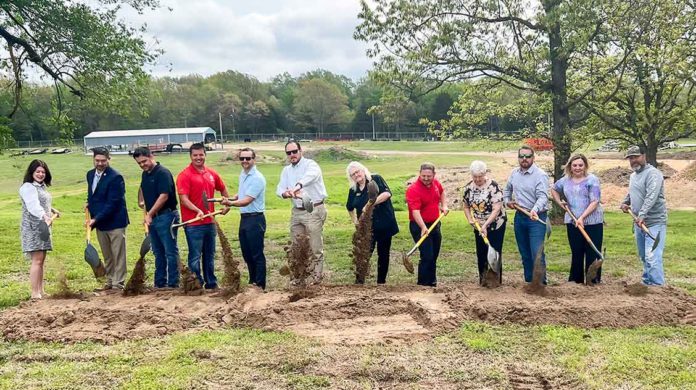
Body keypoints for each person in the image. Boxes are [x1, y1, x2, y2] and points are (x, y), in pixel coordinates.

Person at [176, 143, 230, 290]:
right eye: (195, 155)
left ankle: (211, 284)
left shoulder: (211, 174)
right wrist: (197, 210)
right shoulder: (184, 175)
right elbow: (183, 199)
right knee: (195, 257)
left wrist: (227, 205)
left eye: (201, 155)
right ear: (191, 156)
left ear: (205, 155)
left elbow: (223, 190)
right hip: (193, 224)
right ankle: (196, 285)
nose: (198, 158)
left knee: (209, 255)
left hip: (210, 222)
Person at [276, 140, 328, 285]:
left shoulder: (311, 165)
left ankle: (315, 280)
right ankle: (299, 278)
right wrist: (285, 193)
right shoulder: (286, 170)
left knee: (314, 247)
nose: (292, 155)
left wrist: (298, 186)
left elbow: (310, 177)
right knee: (297, 247)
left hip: (313, 209)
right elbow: (279, 189)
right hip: (296, 211)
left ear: (300, 151)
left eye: (294, 151)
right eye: (289, 153)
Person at [551, 154, 604, 284]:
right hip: (572, 221)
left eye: (580, 165)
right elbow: (553, 189)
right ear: (570, 166)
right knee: (577, 252)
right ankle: (576, 280)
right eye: (574, 165)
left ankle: (593, 280)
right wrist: (559, 202)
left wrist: (582, 217)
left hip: (592, 222)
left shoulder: (592, 180)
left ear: (585, 166)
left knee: (592, 252)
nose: (577, 168)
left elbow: (595, 201)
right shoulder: (565, 180)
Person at [133, 147, 180, 289]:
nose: (142, 165)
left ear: (151, 156)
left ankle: (173, 283)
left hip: (167, 216)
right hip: (154, 218)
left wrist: (150, 214)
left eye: (144, 161)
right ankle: (160, 283)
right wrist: (141, 201)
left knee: (170, 251)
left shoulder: (163, 173)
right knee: (158, 252)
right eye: (139, 163)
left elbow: (164, 196)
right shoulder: (145, 174)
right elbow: (142, 188)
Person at [620, 145, 667, 286]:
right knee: (644, 257)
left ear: (644, 156)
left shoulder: (653, 174)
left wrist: (642, 215)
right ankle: (647, 283)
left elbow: (651, 196)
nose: (633, 160)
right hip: (639, 223)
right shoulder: (634, 176)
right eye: (630, 158)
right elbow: (633, 192)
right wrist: (625, 202)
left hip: (654, 222)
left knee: (652, 256)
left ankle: (658, 288)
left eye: (636, 157)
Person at [345, 161, 399, 284]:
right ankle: (359, 281)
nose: (356, 175)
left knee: (383, 254)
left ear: (363, 170)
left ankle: (381, 282)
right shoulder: (353, 189)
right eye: (353, 174)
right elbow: (349, 207)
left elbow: (386, 194)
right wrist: (356, 222)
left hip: (384, 224)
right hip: (366, 228)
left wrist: (370, 204)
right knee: (363, 254)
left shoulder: (375, 179)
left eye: (357, 171)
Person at [222, 148, 268, 290]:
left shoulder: (257, 178)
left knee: (256, 253)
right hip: (245, 219)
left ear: (254, 159)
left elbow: (247, 200)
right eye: (242, 158)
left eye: (248, 158)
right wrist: (231, 198)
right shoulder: (243, 174)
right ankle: (252, 281)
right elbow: (242, 194)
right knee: (247, 253)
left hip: (255, 219)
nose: (245, 161)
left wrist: (230, 203)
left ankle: (260, 284)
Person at [503, 145, 549, 283]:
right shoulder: (514, 174)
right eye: (521, 156)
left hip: (536, 217)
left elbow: (543, 197)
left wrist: (534, 210)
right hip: (520, 217)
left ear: (533, 158)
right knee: (525, 253)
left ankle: (540, 283)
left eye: (528, 156)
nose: (524, 159)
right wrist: (507, 202)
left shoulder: (540, 175)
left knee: (537, 253)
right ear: (518, 158)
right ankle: (530, 282)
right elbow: (507, 191)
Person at [87, 147, 129, 291]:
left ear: (108, 159)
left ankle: (119, 283)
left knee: (118, 254)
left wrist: (95, 218)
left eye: (103, 160)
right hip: (100, 223)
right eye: (97, 160)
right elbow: (93, 195)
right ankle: (110, 280)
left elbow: (113, 202)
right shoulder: (90, 175)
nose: (100, 163)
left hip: (116, 222)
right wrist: (90, 205)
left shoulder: (115, 177)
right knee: (107, 254)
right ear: (93, 159)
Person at [19, 160, 59, 299]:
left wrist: (52, 210)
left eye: (43, 172)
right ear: (32, 173)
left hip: (43, 226)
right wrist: (44, 215)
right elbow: (32, 205)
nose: (41, 174)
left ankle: (41, 291)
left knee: (41, 260)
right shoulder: (28, 187)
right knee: (37, 260)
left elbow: (42, 201)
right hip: (33, 227)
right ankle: (35, 293)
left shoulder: (41, 187)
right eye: (38, 172)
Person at [462, 160, 506, 285]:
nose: (477, 179)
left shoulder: (494, 187)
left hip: (495, 224)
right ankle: (483, 280)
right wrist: (470, 219)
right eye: (475, 177)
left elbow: (496, 209)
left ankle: (495, 280)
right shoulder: (469, 188)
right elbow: (465, 206)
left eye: (480, 176)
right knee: (481, 252)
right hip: (478, 225)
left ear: (485, 173)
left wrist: (486, 225)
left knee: (494, 252)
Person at [406, 163, 449, 287]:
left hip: (435, 223)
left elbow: (442, 192)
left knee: (434, 254)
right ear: (419, 173)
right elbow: (415, 212)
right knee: (427, 255)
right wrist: (423, 227)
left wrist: (444, 205)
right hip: (419, 225)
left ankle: (432, 282)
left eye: (428, 176)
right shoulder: (413, 189)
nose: (426, 178)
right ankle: (423, 284)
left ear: (434, 175)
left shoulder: (436, 183)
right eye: (423, 175)